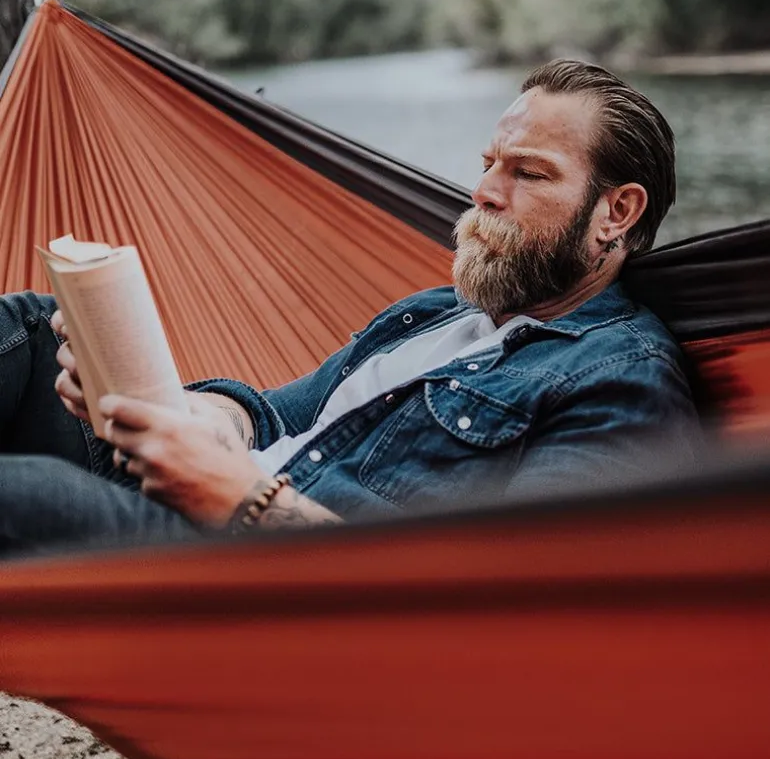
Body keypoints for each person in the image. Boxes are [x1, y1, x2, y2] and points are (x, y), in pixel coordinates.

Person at [0, 60, 700, 555]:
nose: (484, 190)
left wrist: (242, 499)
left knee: (20, 493)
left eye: (528, 172)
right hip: (189, 488)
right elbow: (279, 416)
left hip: (250, 576)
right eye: (490, 162)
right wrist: (178, 411)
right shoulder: (438, 312)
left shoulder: (617, 378)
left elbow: (510, 598)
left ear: (617, 210)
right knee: (28, 327)